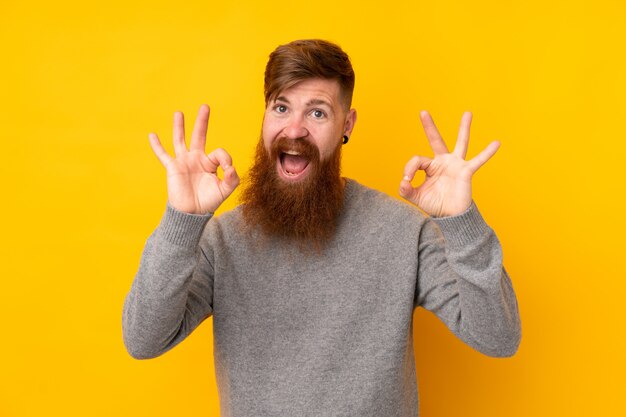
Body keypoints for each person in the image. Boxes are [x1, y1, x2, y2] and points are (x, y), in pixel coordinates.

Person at [122, 39, 521, 416]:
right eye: (281, 108)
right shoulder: (222, 239)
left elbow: (498, 337)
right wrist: (181, 222)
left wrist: (460, 222)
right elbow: (143, 339)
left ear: (346, 124)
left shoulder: (404, 232)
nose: (294, 129)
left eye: (317, 112)